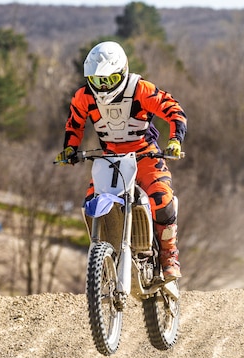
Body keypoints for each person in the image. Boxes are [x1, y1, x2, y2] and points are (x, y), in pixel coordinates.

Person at [55, 40, 187, 280]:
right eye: (97, 81)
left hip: (145, 154)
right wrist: (69, 149)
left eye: (109, 80)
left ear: (122, 72)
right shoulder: (84, 96)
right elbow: (74, 123)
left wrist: (175, 140)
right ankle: (105, 255)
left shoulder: (141, 89)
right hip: (110, 158)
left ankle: (169, 254)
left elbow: (174, 110)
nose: (103, 86)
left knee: (161, 197)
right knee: (90, 204)